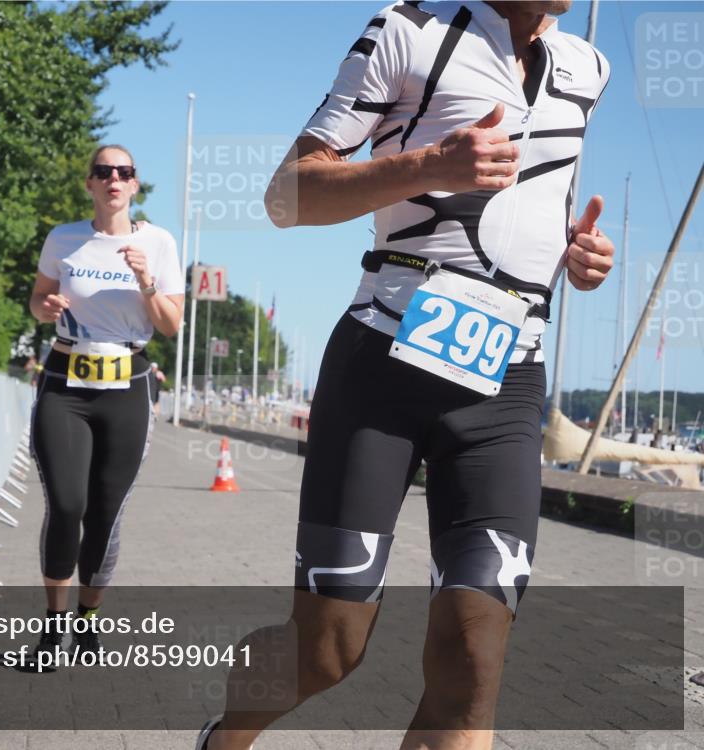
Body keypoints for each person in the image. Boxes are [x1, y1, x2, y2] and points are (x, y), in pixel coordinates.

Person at [198, 2, 613, 748]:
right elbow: (286, 196)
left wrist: (575, 258)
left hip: (506, 383)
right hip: (382, 366)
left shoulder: (588, 66)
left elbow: (532, 210)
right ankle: (224, 737)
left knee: (474, 660)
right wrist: (427, 167)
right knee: (328, 649)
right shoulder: (407, 31)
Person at [27, 145, 184, 663]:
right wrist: (46, 306)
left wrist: (146, 281)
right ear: (90, 184)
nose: (113, 178)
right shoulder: (64, 239)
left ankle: (87, 622)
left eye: (124, 172)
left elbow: (171, 325)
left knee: (104, 515)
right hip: (65, 381)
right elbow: (38, 299)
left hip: (128, 384)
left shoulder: (159, 242)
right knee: (66, 504)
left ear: (135, 186)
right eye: (103, 171)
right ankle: (52, 628)